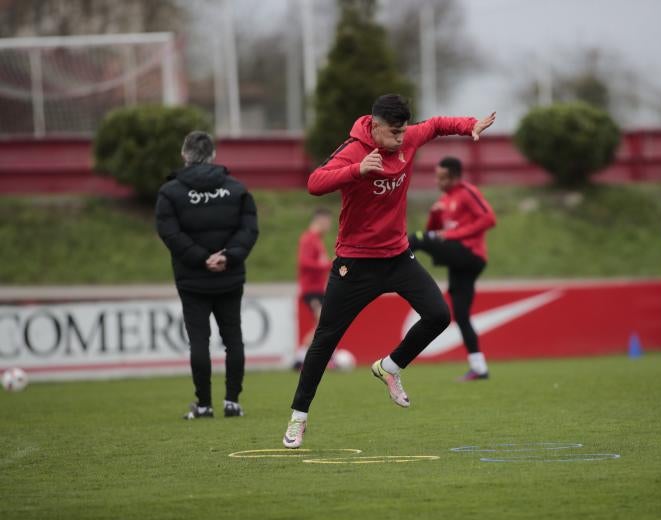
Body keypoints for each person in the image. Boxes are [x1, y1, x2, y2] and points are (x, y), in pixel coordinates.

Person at [282, 94, 495, 448]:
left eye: (403, 132)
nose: (400, 139)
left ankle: (390, 367)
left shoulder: (408, 137)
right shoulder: (354, 151)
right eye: (393, 133)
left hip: (397, 257)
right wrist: (357, 170)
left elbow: (437, 125)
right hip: (355, 263)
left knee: (439, 315)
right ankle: (298, 419)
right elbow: (315, 182)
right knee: (324, 342)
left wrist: (469, 125)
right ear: (375, 127)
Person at [155, 131, 259, 418]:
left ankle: (203, 405)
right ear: (213, 155)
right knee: (233, 339)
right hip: (230, 276)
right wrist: (228, 256)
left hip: (192, 279)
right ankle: (232, 403)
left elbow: (169, 233)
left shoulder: (170, 192)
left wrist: (201, 259)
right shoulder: (236, 189)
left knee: (199, 341)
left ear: (184, 155)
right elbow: (249, 230)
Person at [408, 156, 496, 381]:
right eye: (437, 177)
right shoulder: (445, 200)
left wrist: (451, 235)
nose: (438, 182)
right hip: (458, 261)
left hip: (469, 254)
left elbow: (489, 219)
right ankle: (479, 367)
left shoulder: (467, 191)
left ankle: (394, 267)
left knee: (415, 239)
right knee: (461, 314)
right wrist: (435, 215)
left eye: (442, 178)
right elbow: (434, 231)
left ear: (455, 176)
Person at [294, 208, 333, 370]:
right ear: (321, 221)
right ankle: (301, 357)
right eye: (328, 222)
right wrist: (327, 264)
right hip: (311, 290)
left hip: (317, 289)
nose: (329, 226)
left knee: (323, 324)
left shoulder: (317, 239)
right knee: (321, 323)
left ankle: (306, 357)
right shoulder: (309, 239)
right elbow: (304, 262)